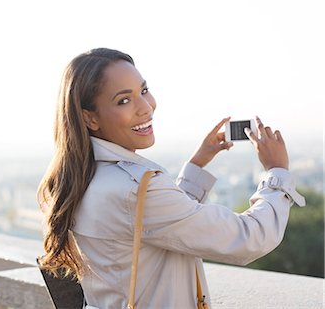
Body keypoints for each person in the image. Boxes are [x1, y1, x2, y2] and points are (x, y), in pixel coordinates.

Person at [37, 48, 305, 308]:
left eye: (143, 90)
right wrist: (277, 172)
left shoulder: (77, 178)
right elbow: (249, 238)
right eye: (123, 100)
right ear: (90, 118)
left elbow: (162, 225)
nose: (145, 107)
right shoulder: (134, 189)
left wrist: (198, 162)